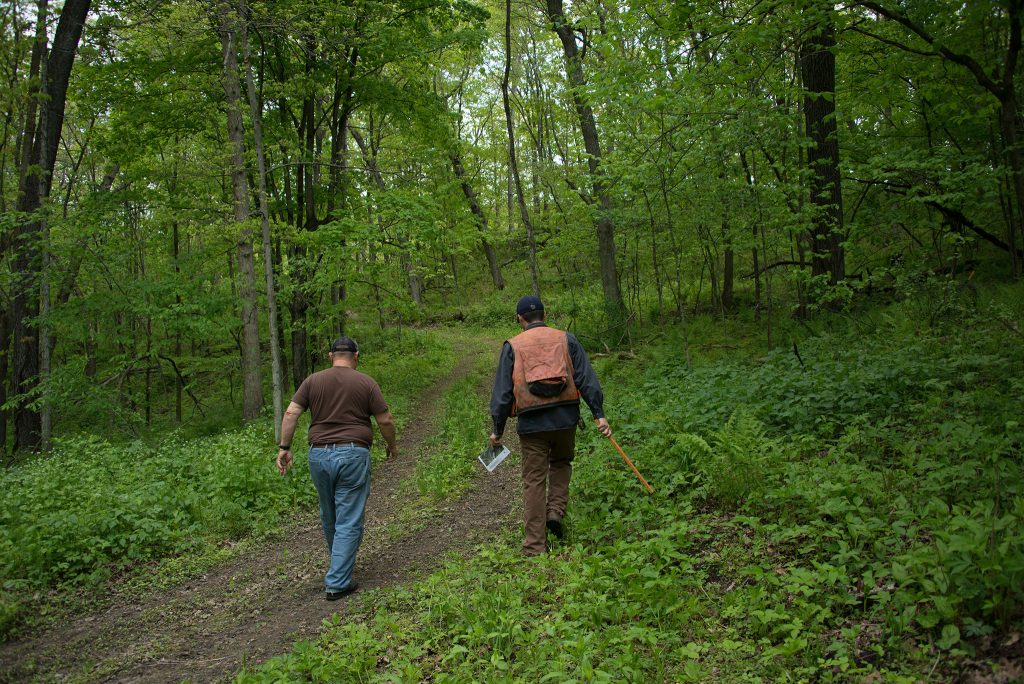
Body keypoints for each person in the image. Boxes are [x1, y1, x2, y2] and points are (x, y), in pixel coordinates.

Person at [276, 336, 398, 600]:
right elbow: (385, 419)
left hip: (318, 455)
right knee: (349, 517)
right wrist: (391, 445)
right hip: (353, 453)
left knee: (329, 513)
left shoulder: (312, 381)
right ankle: (337, 582)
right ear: (356, 356)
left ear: (331, 356)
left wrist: (284, 447)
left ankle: (339, 567)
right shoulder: (366, 382)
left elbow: (291, 413)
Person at [489, 295, 611, 556]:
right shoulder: (566, 339)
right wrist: (598, 413)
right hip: (566, 419)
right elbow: (586, 377)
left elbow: (502, 392)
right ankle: (555, 511)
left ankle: (535, 546)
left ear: (519, 318)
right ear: (545, 315)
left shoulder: (512, 345)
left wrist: (497, 429)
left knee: (533, 481)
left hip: (532, 424)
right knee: (561, 463)